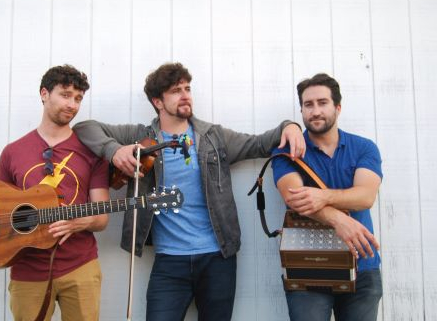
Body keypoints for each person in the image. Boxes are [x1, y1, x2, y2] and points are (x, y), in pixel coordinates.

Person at [72, 62, 306, 321]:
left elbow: (260, 144)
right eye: (175, 91)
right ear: (158, 102)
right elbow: (84, 128)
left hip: (217, 258)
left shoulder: (213, 137)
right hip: (169, 261)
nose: (185, 95)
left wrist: (290, 125)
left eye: (187, 88)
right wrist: (115, 151)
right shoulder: (141, 136)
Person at [0, 65, 110, 321]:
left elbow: (101, 217)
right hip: (27, 272)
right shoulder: (13, 152)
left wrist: (76, 223)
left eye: (78, 98)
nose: (73, 104)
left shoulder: (92, 151)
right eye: (65, 95)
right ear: (44, 93)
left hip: (81, 267)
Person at [271, 73, 383, 321]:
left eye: (322, 103)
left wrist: (321, 197)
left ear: (337, 107)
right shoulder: (286, 152)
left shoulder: (364, 148)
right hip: (307, 268)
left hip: (361, 265)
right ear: (301, 110)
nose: (315, 111)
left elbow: (364, 197)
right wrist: (339, 219)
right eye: (308, 105)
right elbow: (294, 199)